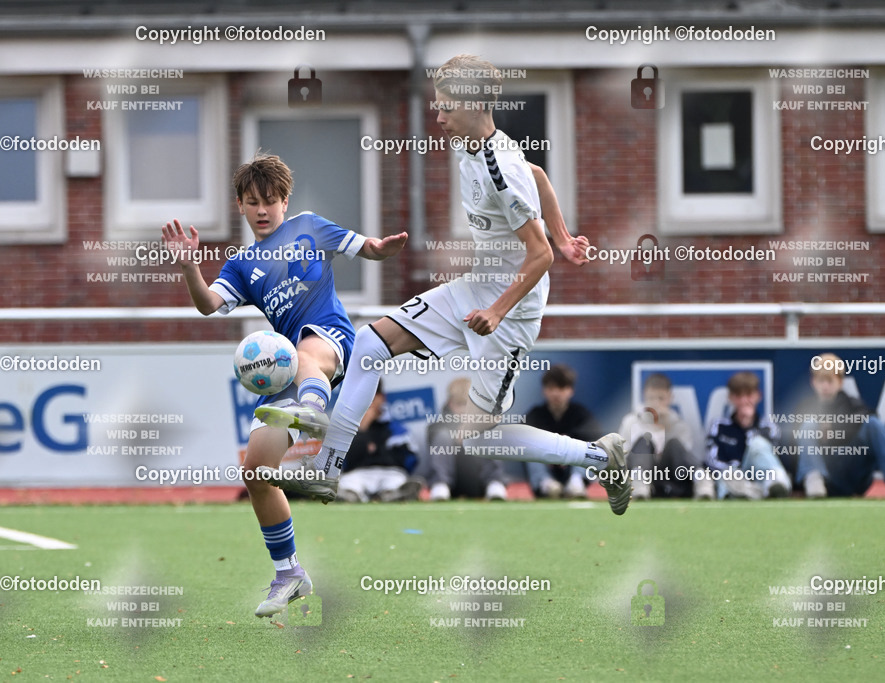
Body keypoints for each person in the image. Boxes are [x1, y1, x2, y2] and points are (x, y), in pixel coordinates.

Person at [256, 53, 631, 516]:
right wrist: (565, 234)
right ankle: (328, 469)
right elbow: (538, 174)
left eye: (445, 107)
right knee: (370, 344)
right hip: (475, 289)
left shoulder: (500, 167)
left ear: (473, 104)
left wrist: (502, 305)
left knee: (477, 437)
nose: (438, 116)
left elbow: (540, 256)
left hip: (511, 313)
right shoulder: (477, 144)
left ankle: (599, 457)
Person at [162, 153, 407, 617]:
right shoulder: (241, 265)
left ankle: (313, 409)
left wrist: (385, 248)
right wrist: (189, 267)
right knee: (256, 470)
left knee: (307, 354)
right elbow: (208, 305)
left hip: (329, 340)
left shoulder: (310, 227)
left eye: (271, 201)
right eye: (253, 202)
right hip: (286, 365)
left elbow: (367, 248)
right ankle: (289, 573)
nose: (263, 209)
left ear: (285, 201)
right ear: (240, 205)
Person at [795, 353, 885, 498]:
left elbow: (869, 417)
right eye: (821, 381)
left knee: (873, 424)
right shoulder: (803, 408)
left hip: (854, 473)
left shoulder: (853, 405)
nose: (825, 386)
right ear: (813, 382)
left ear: (840, 382)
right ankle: (814, 480)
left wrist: (833, 428)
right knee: (809, 424)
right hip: (827, 476)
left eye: (830, 381)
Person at [619, 373, 709, 500]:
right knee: (644, 442)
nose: (655, 403)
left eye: (661, 398)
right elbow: (622, 457)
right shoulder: (631, 421)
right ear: (644, 396)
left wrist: (664, 426)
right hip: (636, 476)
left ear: (670, 398)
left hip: (668, 478)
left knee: (674, 444)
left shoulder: (679, 425)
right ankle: (640, 485)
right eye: (651, 398)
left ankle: (702, 481)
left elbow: (681, 460)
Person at [705, 371, 791, 499]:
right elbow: (711, 460)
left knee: (758, 444)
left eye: (749, 395)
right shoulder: (719, 426)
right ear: (730, 398)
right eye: (739, 395)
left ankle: (776, 486)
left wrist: (748, 426)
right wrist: (734, 473)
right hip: (731, 478)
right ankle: (743, 493)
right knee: (728, 476)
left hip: (759, 477)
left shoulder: (769, 428)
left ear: (758, 396)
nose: (744, 400)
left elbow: (772, 459)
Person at [524, 365, 603, 499]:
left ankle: (576, 483)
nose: (556, 393)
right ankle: (546, 484)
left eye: (561, 388)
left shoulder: (581, 414)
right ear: (544, 391)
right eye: (551, 388)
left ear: (570, 390)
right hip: (546, 467)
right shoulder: (535, 415)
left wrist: (568, 447)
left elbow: (596, 441)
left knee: (592, 448)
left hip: (573, 468)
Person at [337, 381, 423, 503]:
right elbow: (342, 462)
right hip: (357, 473)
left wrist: (381, 452)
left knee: (396, 481)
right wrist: (361, 428)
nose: (366, 402)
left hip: (389, 472)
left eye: (371, 396)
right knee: (348, 484)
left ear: (381, 398)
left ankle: (394, 494)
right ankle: (349, 495)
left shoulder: (397, 429)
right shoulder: (346, 429)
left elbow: (411, 460)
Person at [427, 377, 509, 501]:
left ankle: (495, 483)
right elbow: (432, 433)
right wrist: (455, 432)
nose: (464, 410)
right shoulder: (438, 425)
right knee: (442, 436)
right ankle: (440, 485)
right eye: (459, 404)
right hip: (452, 485)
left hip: (479, 483)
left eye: (468, 404)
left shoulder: (485, 422)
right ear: (450, 404)